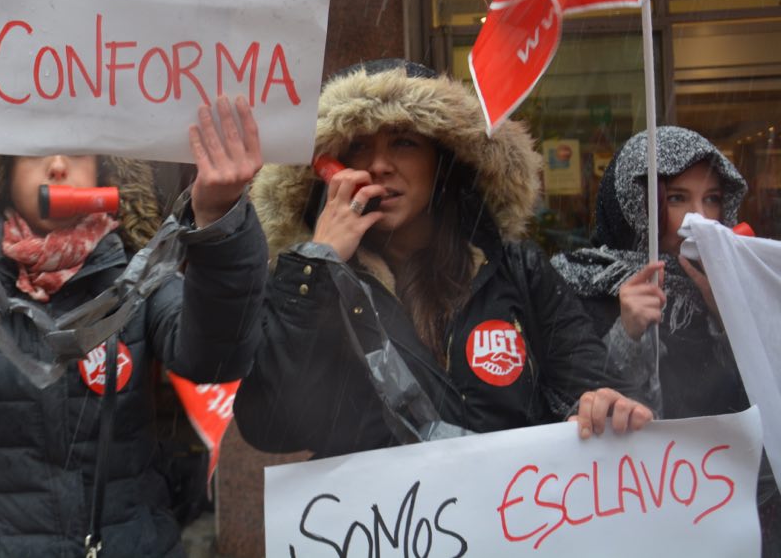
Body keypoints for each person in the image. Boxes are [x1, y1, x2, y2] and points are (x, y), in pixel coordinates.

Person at [0, 77, 269, 557]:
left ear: (106, 175)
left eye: (80, 153)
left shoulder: (143, 276)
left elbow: (216, 360)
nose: (60, 165)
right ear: (3, 173)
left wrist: (221, 219)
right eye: (36, 151)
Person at [234, 59, 651, 459]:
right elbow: (270, 427)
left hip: (514, 518)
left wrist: (599, 405)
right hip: (385, 528)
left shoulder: (518, 270)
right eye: (359, 146)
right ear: (331, 168)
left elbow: (589, 382)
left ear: (442, 161)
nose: (379, 165)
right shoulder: (311, 281)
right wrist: (318, 265)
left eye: (404, 142)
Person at [551, 125, 750, 418]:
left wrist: (730, 318)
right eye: (676, 198)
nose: (700, 217)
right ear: (634, 205)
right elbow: (565, 401)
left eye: (712, 199)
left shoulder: (742, 282)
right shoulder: (581, 283)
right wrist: (627, 334)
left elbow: (760, 402)